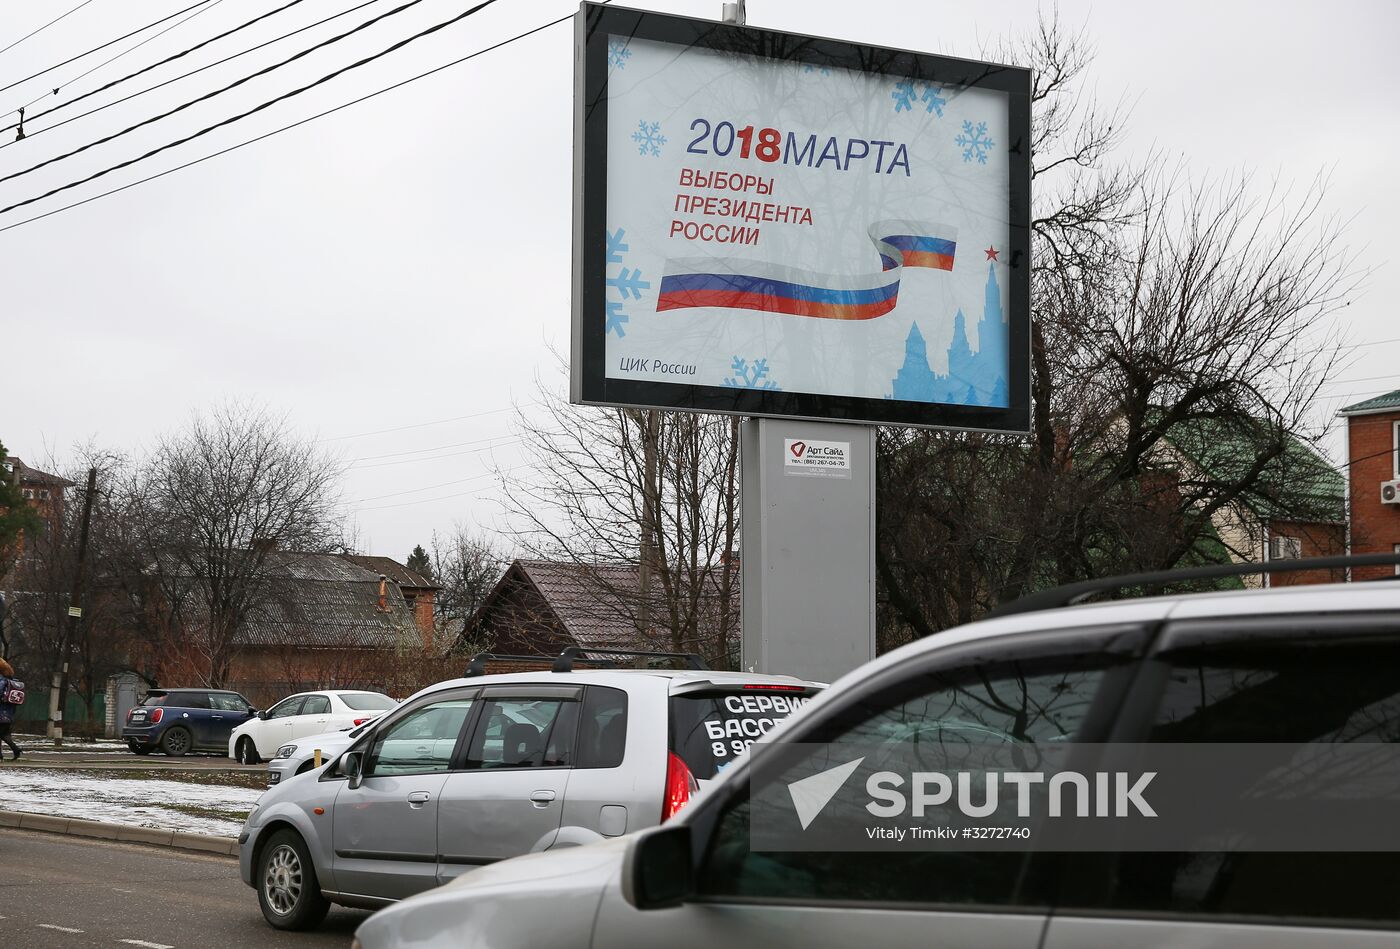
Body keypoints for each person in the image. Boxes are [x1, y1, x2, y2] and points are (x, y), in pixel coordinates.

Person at [0, 657, 20, 761]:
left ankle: (16, 749)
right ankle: (14, 751)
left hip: (1, 712)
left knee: (3, 734)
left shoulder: (2, 681)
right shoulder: (12, 681)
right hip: (9, 713)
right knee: (4, 734)